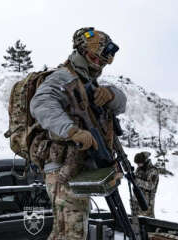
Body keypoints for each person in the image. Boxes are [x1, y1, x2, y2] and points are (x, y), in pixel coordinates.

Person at [29, 27, 127, 240]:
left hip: (78, 169)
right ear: (81, 52)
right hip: (64, 169)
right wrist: (71, 130)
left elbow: (121, 104)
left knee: (65, 233)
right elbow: (41, 103)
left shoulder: (88, 82)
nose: (99, 64)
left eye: (103, 61)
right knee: (72, 234)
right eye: (95, 58)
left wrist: (111, 95)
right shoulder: (62, 77)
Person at [130, 151, 159, 218]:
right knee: (136, 220)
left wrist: (137, 181)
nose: (138, 165)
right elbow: (136, 182)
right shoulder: (139, 169)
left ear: (144, 161)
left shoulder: (153, 171)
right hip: (137, 198)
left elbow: (151, 186)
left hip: (147, 201)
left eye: (139, 163)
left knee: (148, 220)